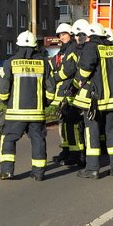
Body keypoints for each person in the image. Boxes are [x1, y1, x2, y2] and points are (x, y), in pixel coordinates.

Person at [69, 22, 113, 179]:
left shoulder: (91, 47)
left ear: (90, 36)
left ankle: (92, 169)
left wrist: (75, 85)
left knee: (92, 132)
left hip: (97, 99)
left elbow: (85, 69)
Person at [0, 30, 56, 181]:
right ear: (35, 46)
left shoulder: (10, 62)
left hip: (15, 113)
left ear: (18, 45)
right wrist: (45, 103)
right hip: (37, 113)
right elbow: (51, 88)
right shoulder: (44, 63)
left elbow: (3, 88)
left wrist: (7, 102)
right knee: (38, 140)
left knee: (9, 139)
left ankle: (7, 171)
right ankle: (38, 173)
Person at [50, 22, 84, 167]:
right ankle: (67, 151)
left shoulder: (72, 49)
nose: (61, 37)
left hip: (71, 91)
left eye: (63, 34)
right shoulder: (64, 50)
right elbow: (55, 64)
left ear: (70, 34)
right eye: (59, 35)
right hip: (64, 92)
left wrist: (54, 76)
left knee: (72, 125)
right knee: (63, 125)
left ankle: (76, 154)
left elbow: (68, 70)